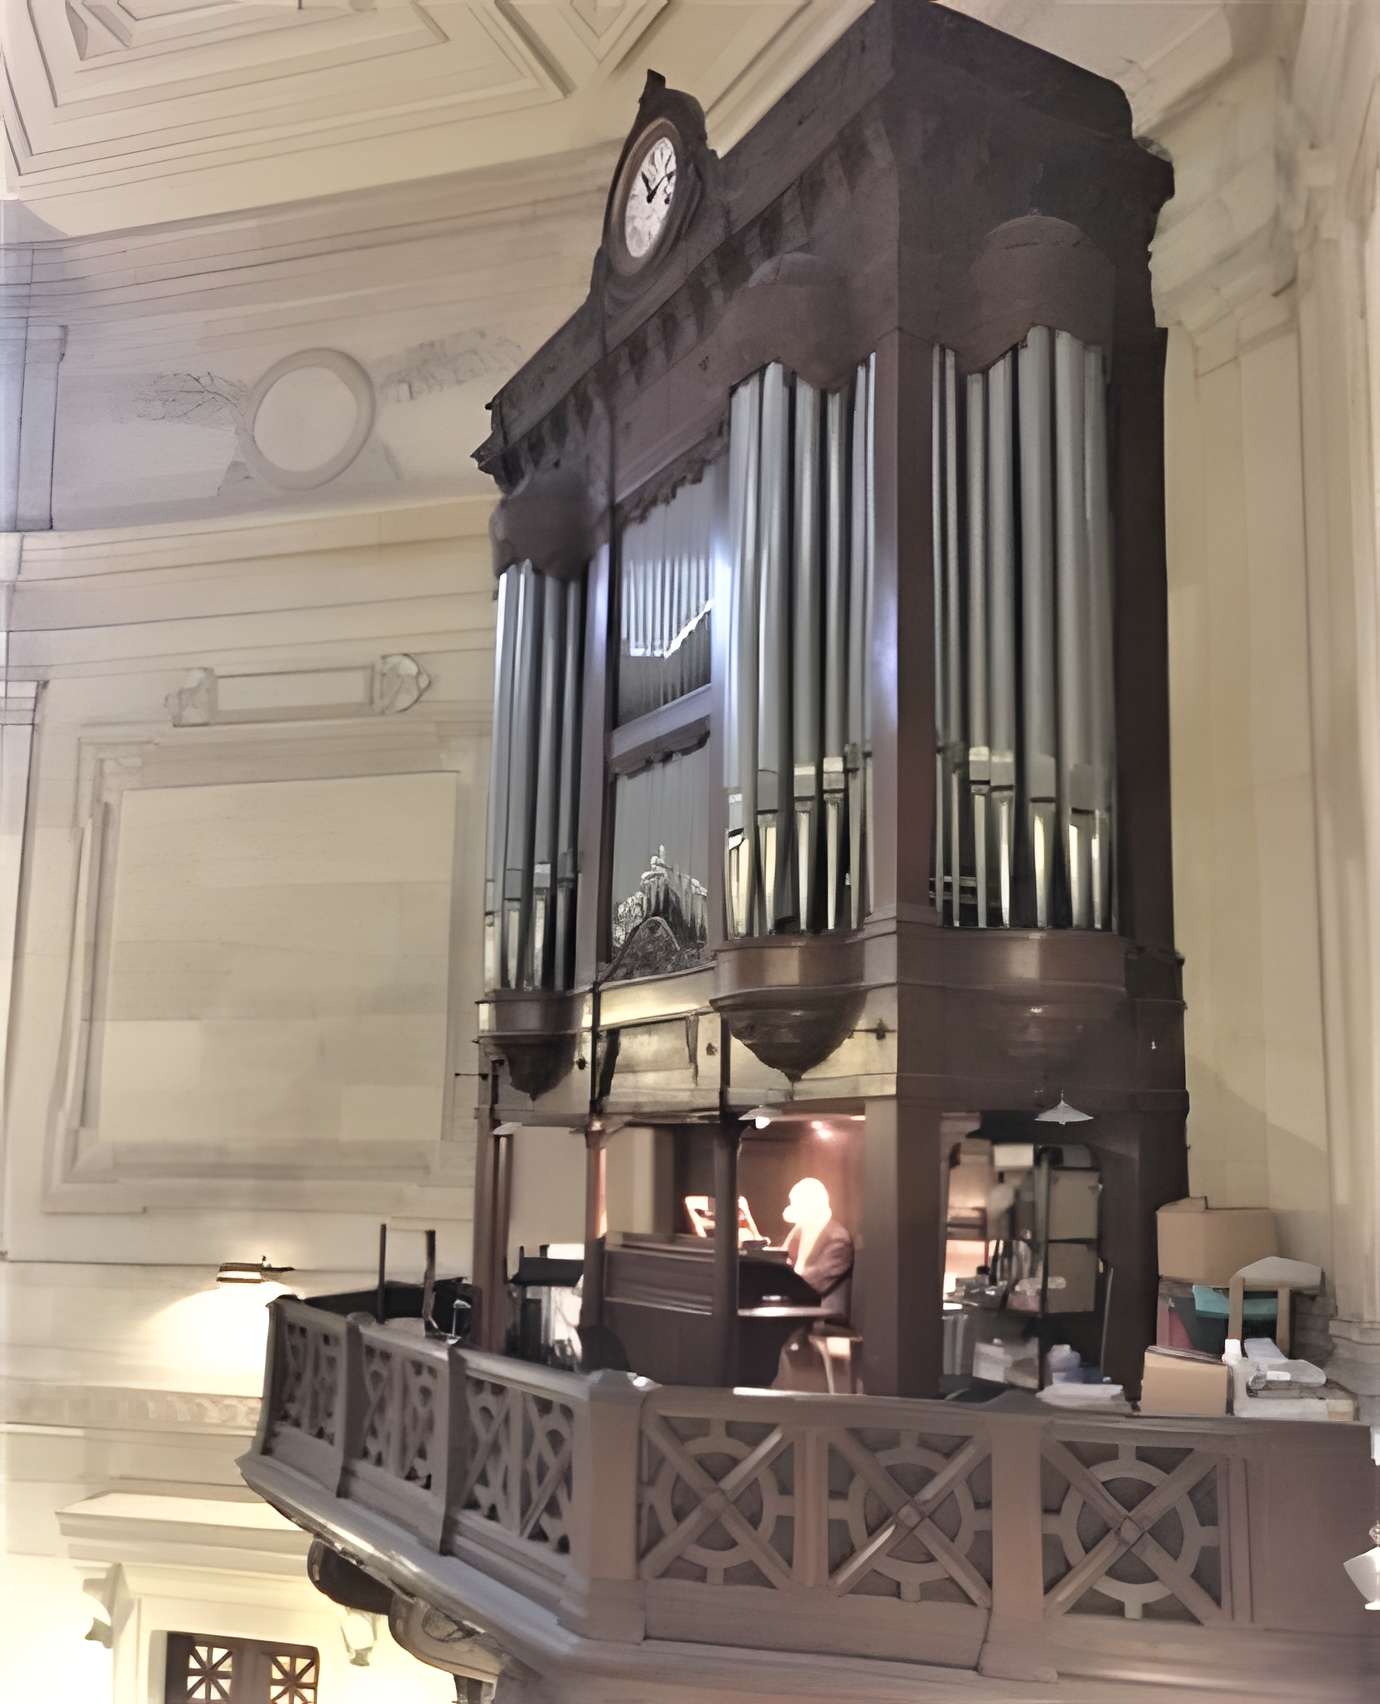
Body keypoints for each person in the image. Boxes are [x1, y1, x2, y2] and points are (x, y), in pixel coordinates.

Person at [782, 1177, 853, 1319]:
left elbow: (812, 1284)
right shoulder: (800, 1231)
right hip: (799, 1309)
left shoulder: (838, 1240)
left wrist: (778, 1281)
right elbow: (780, 1258)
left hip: (822, 1317)